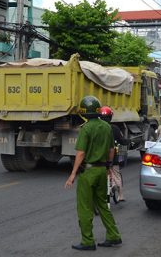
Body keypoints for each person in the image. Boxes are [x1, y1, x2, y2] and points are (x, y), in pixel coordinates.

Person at [64, 96, 122, 251]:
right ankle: (113, 235)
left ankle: (88, 241)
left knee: (85, 208)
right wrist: (108, 167)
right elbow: (111, 150)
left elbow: (81, 153)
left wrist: (72, 174)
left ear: (83, 112)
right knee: (103, 205)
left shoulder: (86, 128)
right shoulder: (107, 127)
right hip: (102, 171)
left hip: (88, 172)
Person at [100, 106, 126, 202]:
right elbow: (122, 141)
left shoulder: (98, 128)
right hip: (113, 157)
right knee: (116, 174)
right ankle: (120, 194)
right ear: (110, 117)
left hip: (100, 157)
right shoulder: (115, 128)